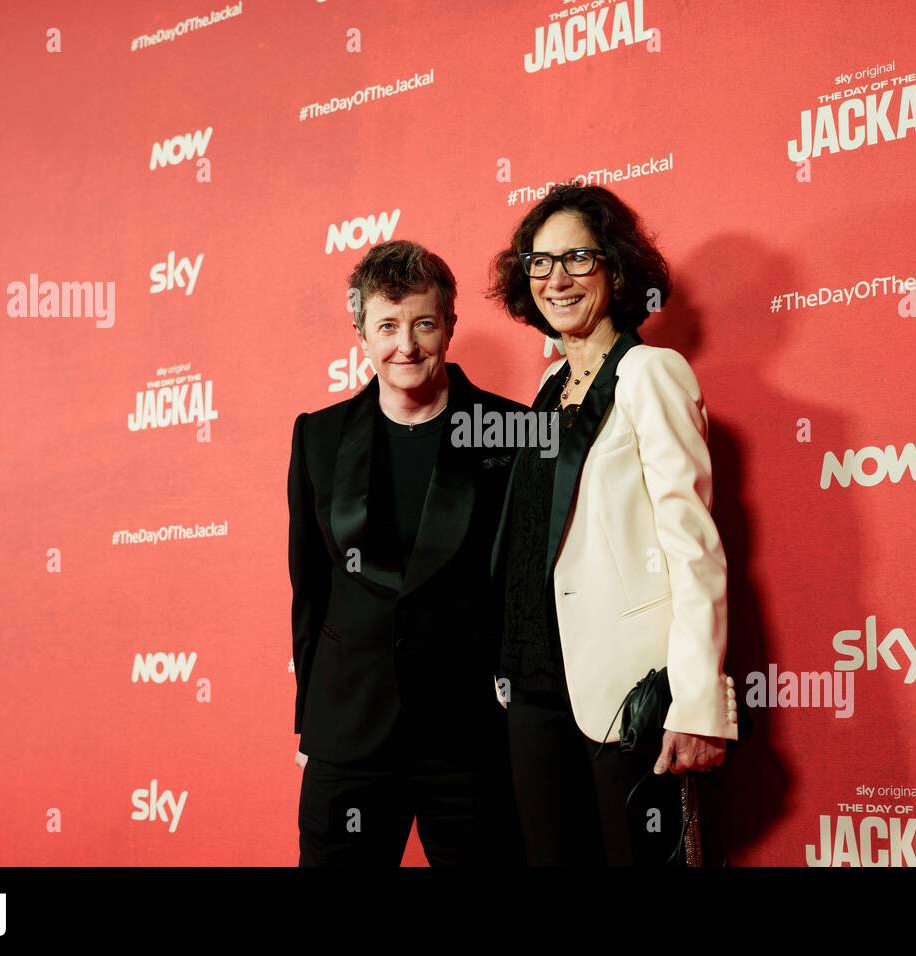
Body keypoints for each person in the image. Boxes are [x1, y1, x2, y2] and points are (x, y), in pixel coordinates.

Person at [486, 183, 739, 866]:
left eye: (577, 258)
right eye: (539, 262)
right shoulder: (543, 391)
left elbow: (693, 549)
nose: (556, 279)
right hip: (538, 689)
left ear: (617, 269)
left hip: (627, 694)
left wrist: (696, 703)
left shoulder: (652, 374)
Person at [288, 239, 525, 866]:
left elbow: (524, 584)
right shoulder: (319, 435)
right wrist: (310, 719)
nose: (407, 346)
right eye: (387, 326)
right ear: (361, 332)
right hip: (349, 729)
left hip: (469, 733)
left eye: (422, 323)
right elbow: (310, 586)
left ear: (450, 323)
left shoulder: (513, 430)